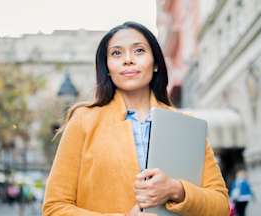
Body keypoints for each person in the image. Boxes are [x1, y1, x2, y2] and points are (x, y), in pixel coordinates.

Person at [42, 21, 229, 216]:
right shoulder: (83, 121)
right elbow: (54, 208)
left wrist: (176, 189)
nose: (128, 59)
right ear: (107, 67)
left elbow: (221, 205)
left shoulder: (186, 126)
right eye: (116, 53)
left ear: (156, 63)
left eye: (139, 51)